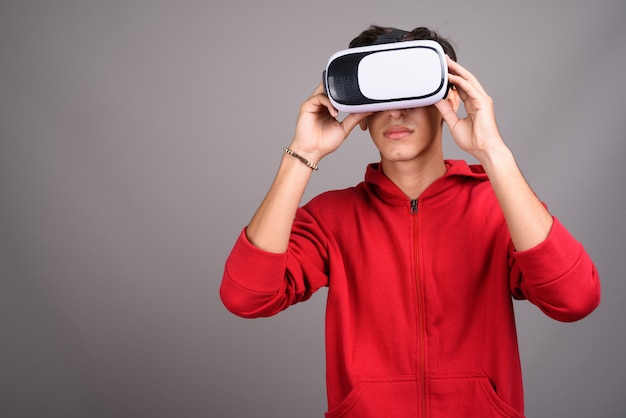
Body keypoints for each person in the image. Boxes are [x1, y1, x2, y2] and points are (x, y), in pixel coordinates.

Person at [220, 25, 601, 417]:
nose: (395, 112)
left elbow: (575, 300)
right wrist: (303, 152)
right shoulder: (331, 219)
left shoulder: (500, 206)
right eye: (380, 98)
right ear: (361, 115)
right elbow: (246, 297)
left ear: (446, 98)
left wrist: (492, 151)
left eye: (411, 93)